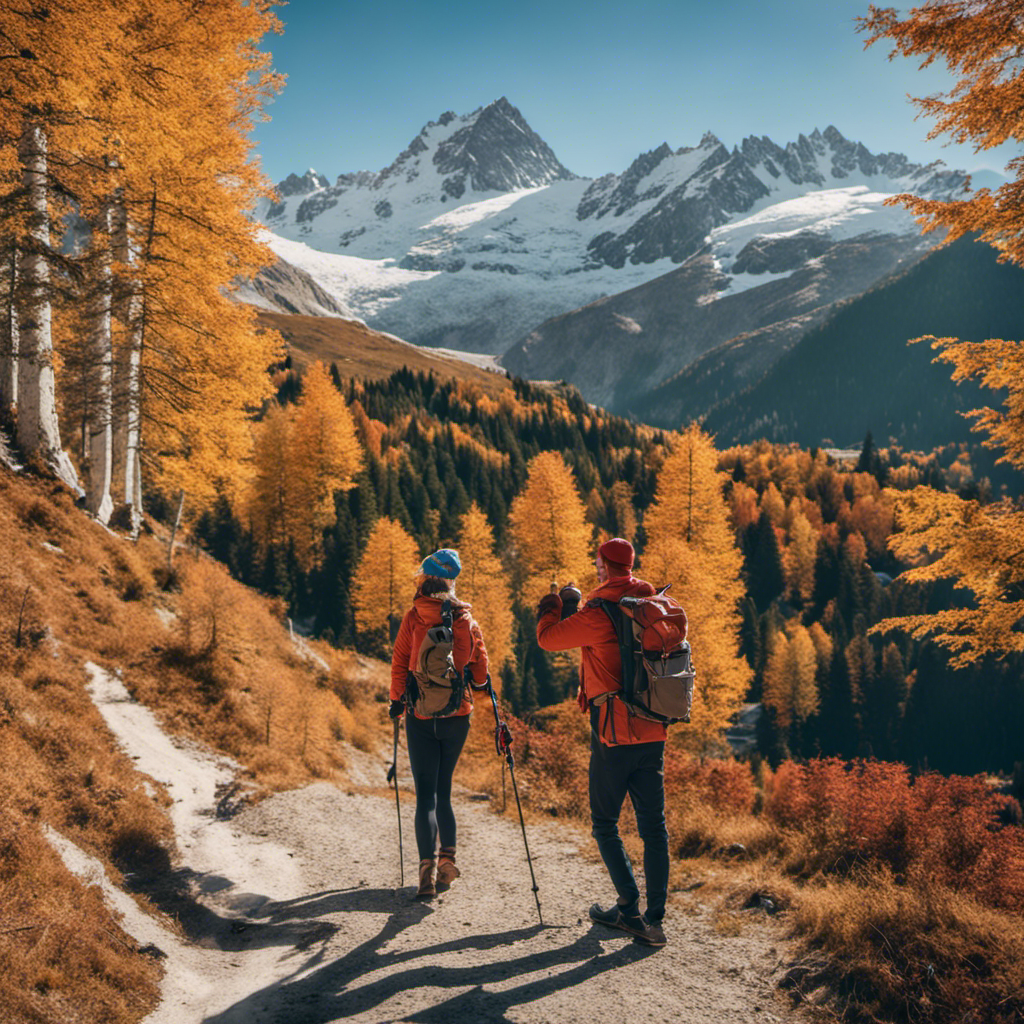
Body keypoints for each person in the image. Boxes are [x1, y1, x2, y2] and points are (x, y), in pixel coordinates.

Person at [535, 537, 669, 948]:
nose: (595, 568)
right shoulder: (651, 605)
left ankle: (628, 910)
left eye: (597, 563)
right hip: (654, 727)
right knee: (653, 826)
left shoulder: (601, 611)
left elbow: (549, 639)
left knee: (604, 823)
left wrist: (553, 606)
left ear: (605, 567)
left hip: (613, 731)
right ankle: (655, 920)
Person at [390, 548, 489, 899]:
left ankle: (425, 872)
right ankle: (448, 859)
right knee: (444, 791)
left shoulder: (414, 617)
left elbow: (401, 660)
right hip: (456, 715)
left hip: (419, 714)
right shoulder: (465, 620)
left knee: (425, 797)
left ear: (425, 580)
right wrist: (478, 683)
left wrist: (395, 702)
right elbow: (479, 667)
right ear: (451, 583)